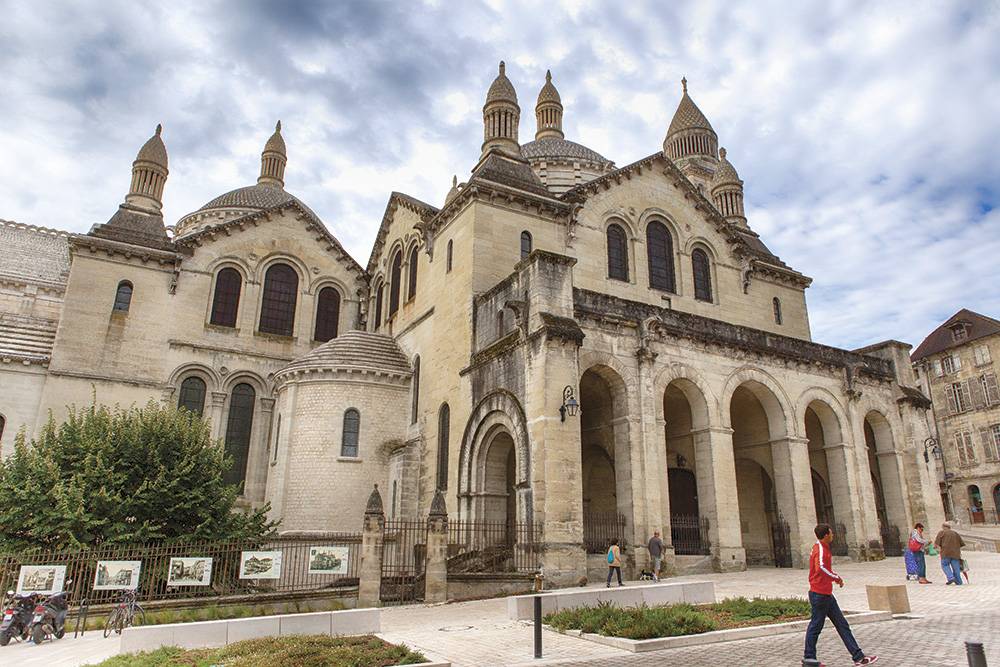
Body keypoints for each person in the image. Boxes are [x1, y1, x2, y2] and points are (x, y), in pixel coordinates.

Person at [804, 523, 878, 666]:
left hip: (825, 594)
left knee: (841, 624)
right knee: (815, 626)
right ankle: (809, 658)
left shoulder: (821, 546)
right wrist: (836, 577)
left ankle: (858, 657)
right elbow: (821, 568)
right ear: (826, 535)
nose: (833, 535)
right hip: (820, 594)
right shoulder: (819, 548)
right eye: (831, 533)